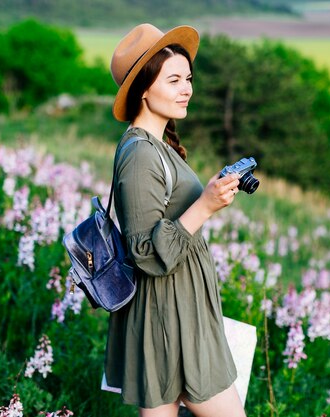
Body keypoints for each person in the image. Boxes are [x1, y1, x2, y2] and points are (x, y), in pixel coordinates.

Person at [104, 23, 247, 417]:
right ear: (144, 90)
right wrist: (205, 205)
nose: (186, 88)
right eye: (173, 80)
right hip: (168, 317)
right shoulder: (139, 154)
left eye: (188, 78)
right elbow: (145, 253)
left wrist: (210, 196)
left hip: (178, 312)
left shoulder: (158, 146)